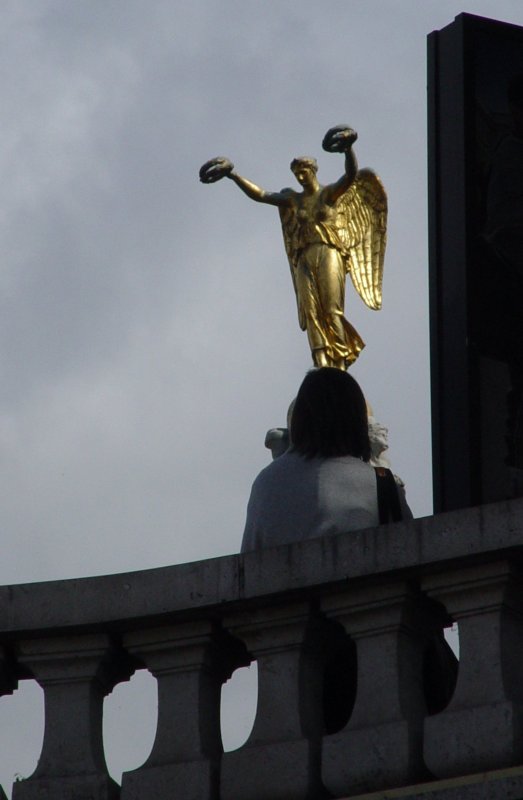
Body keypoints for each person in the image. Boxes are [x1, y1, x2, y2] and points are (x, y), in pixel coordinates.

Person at [200, 125, 387, 370]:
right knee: (311, 312)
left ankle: (340, 360)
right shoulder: (292, 199)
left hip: (328, 252)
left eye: (303, 172)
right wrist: (233, 175)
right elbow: (261, 195)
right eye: (297, 174)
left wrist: (348, 149)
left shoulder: (330, 194)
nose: (300, 177)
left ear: (313, 172)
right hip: (304, 257)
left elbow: (351, 175)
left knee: (331, 310)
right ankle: (321, 359)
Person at [241, 368, 412, 552]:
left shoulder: (266, 483)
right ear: (357, 422)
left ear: (299, 419)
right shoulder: (383, 484)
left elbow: (247, 566)